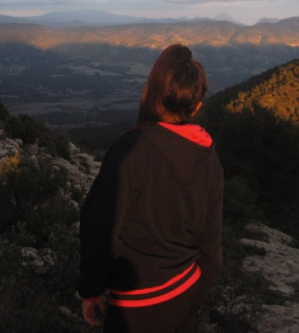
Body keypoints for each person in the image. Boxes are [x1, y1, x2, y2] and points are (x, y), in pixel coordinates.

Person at [78, 44, 224, 332]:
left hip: (136, 305)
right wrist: (199, 293)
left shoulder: (131, 150)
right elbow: (212, 244)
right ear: (197, 105)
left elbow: (100, 229)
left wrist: (91, 290)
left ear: (154, 93)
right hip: (186, 292)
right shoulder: (210, 159)